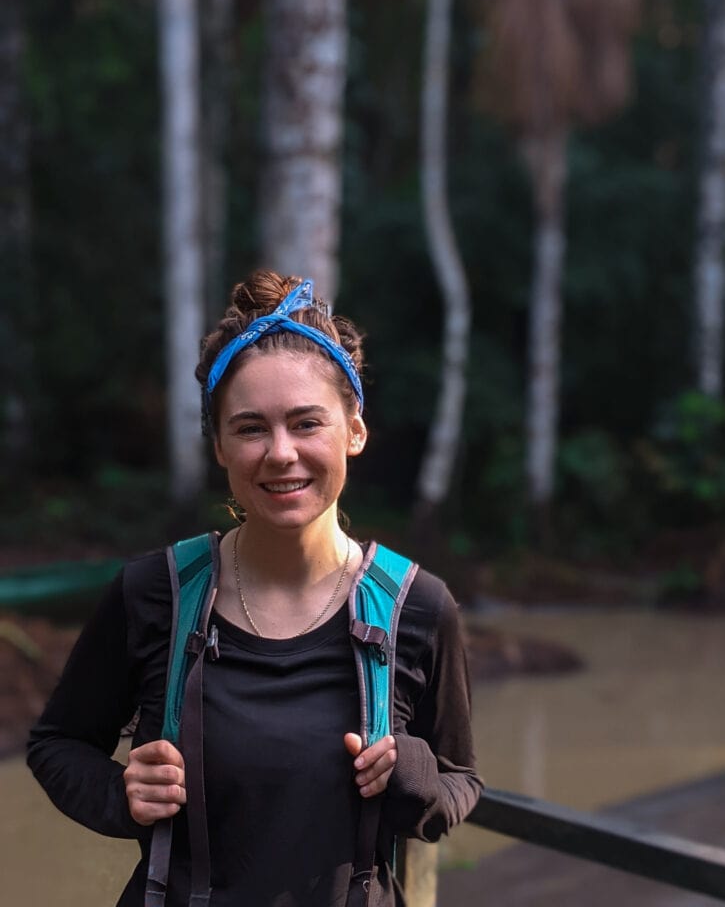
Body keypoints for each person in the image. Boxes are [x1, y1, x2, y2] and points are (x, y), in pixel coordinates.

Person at [27, 269, 482, 907]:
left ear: (353, 430)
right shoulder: (153, 593)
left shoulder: (419, 608)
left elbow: (460, 782)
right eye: (250, 428)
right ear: (218, 445)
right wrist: (123, 796)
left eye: (306, 423)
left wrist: (412, 774)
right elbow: (57, 745)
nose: (280, 453)